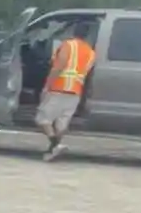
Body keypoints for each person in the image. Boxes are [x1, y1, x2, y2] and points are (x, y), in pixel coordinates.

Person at [37, 19, 98, 161]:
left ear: (73, 32)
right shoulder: (91, 52)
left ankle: (55, 144)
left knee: (43, 119)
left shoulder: (68, 45)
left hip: (59, 87)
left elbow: (59, 66)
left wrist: (47, 86)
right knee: (62, 123)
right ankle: (52, 151)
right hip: (75, 91)